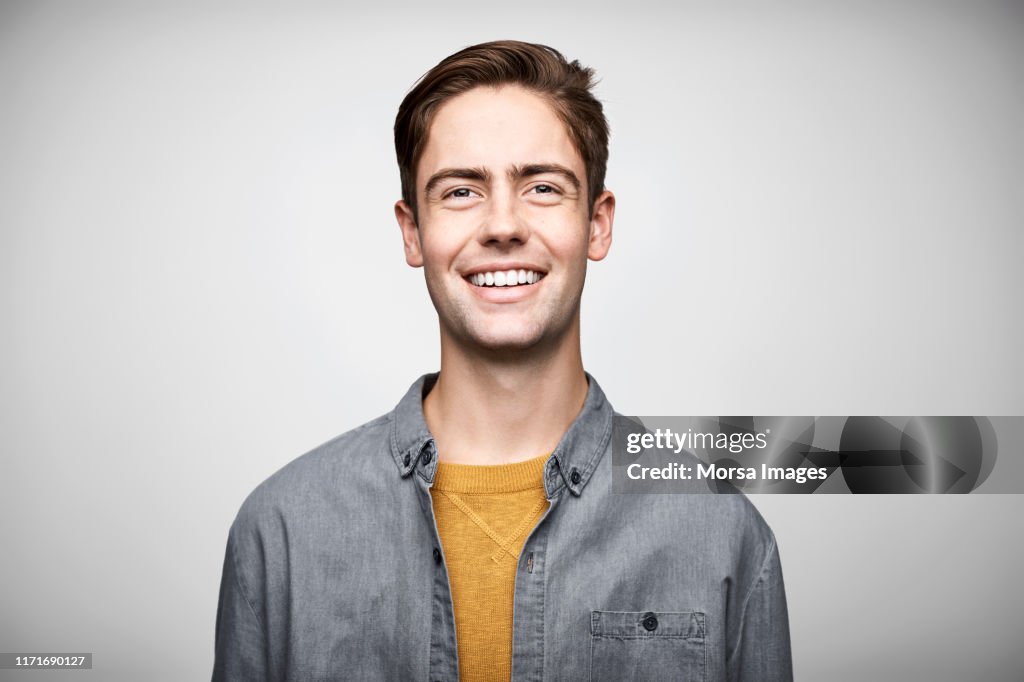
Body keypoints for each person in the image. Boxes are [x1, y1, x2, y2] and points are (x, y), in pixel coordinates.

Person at [212, 40, 793, 682]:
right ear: (413, 232)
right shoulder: (281, 531)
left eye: (542, 186)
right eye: (461, 191)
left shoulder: (723, 532)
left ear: (597, 224)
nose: (502, 225)